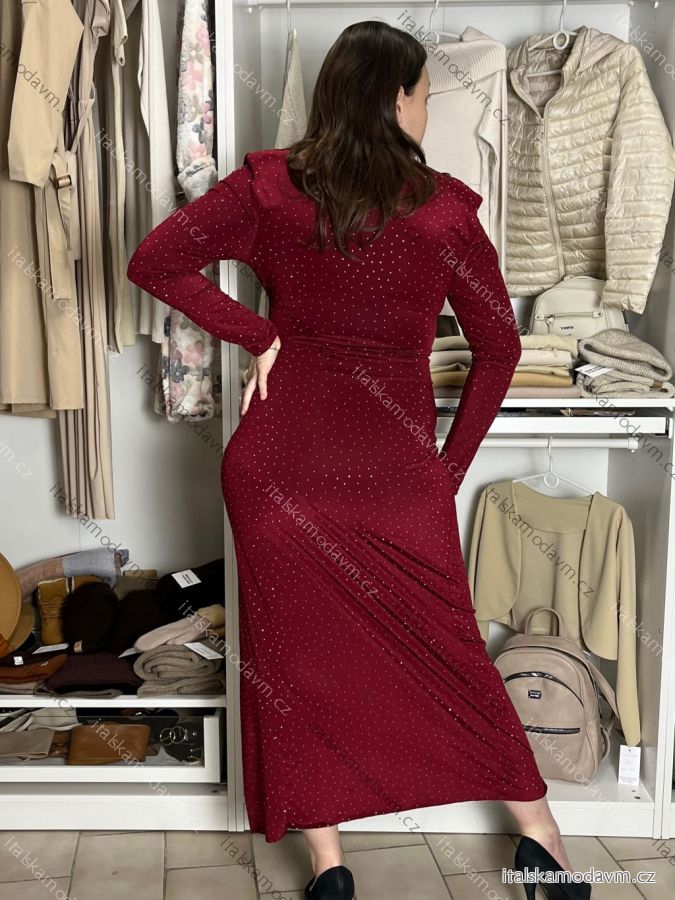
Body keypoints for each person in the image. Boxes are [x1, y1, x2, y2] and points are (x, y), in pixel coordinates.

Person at [127, 20, 591, 900]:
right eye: (423, 95)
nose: (424, 110)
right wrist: (445, 470)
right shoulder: (444, 211)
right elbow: (498, 348)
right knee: (452, 654)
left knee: (295, 667)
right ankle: (543, 840)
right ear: (395, 98)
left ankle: (329, 866)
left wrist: (258, 334)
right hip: (394, 475)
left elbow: (155, 260)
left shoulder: (269, 188)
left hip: (276, 470)